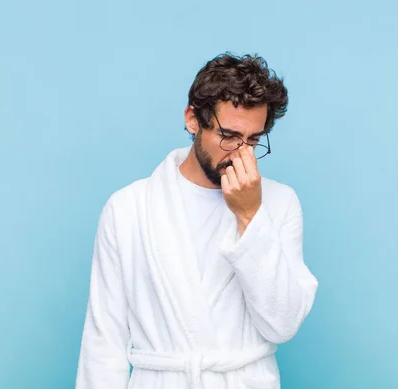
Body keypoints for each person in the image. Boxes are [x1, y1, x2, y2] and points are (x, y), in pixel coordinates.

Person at [75, 53, 318, 389]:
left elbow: (283, 324)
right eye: (229, 135)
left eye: (253, 140)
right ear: (193, 119)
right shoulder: (128, 208)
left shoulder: (279, 203)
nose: (240, 153)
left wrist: (250, 216)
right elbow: (104, 341)